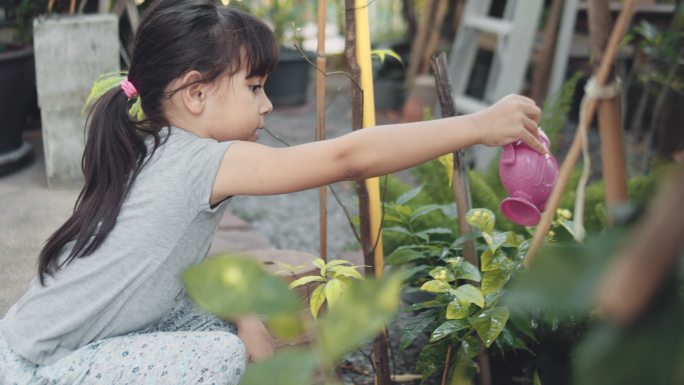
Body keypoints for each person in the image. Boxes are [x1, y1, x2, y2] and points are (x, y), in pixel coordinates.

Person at [0, 0, 545, 384]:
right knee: (219, 356)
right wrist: (477, 127)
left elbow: (165, 249)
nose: (266, 106)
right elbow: (348, 156)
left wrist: (244, 314)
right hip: (46, 368)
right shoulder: (203, 160)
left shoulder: (148, 140)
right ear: (195, 92)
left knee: (225, 316)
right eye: (254, 88)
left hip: (28, 343)